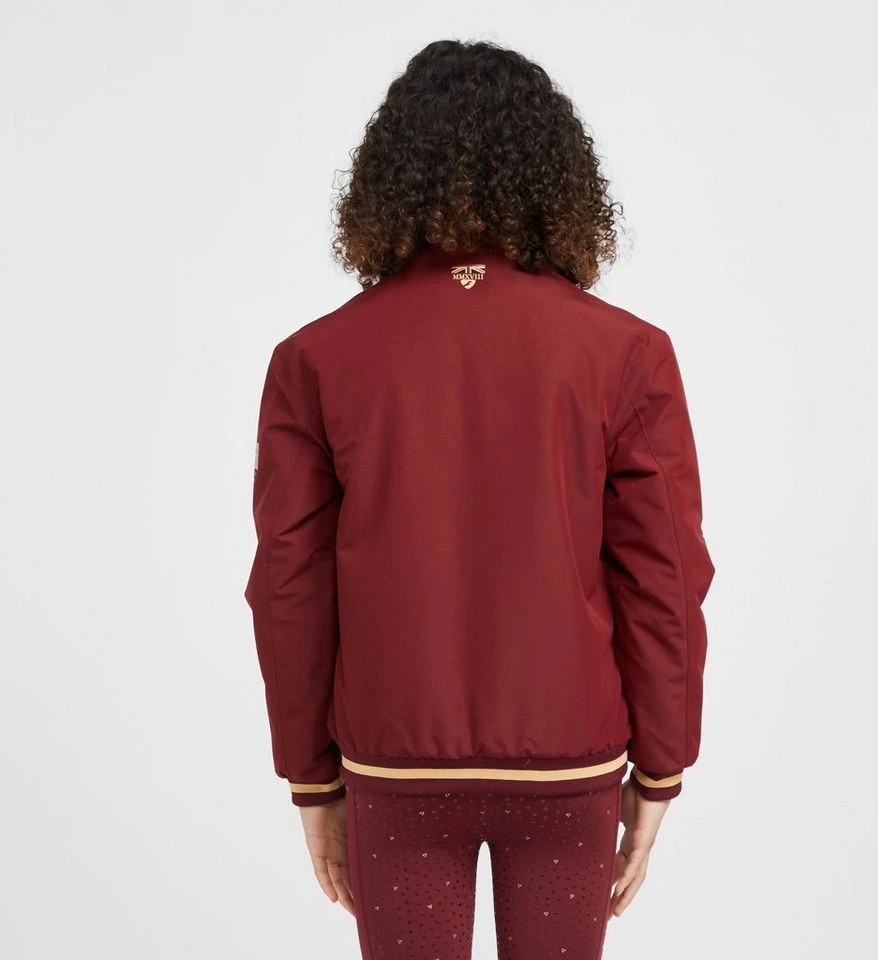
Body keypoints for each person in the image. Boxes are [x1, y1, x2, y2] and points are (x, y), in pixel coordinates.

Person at [243, 38, 715, 960]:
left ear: (389, 179)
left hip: (393, 767)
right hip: (570, 760)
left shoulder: (315, 360)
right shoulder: (626, 354)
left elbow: (288, 588)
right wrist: (662, 767)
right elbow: (665, 575)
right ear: (556, 177)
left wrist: (311, 780)